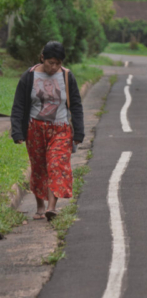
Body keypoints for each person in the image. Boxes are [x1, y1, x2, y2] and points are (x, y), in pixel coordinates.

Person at [10, 41, 84, 221]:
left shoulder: (67, 76)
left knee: (56, 165)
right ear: (42, 57)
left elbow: (75, 105)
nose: (54, 67)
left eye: (58, 63)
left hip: (60, 129)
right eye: (51, 62)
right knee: (39, 168)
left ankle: (52, 207)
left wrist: (79, 132)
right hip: (35, 129)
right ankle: (40, 207)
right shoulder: (29, 77)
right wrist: (17, 132)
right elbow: (18, 106)